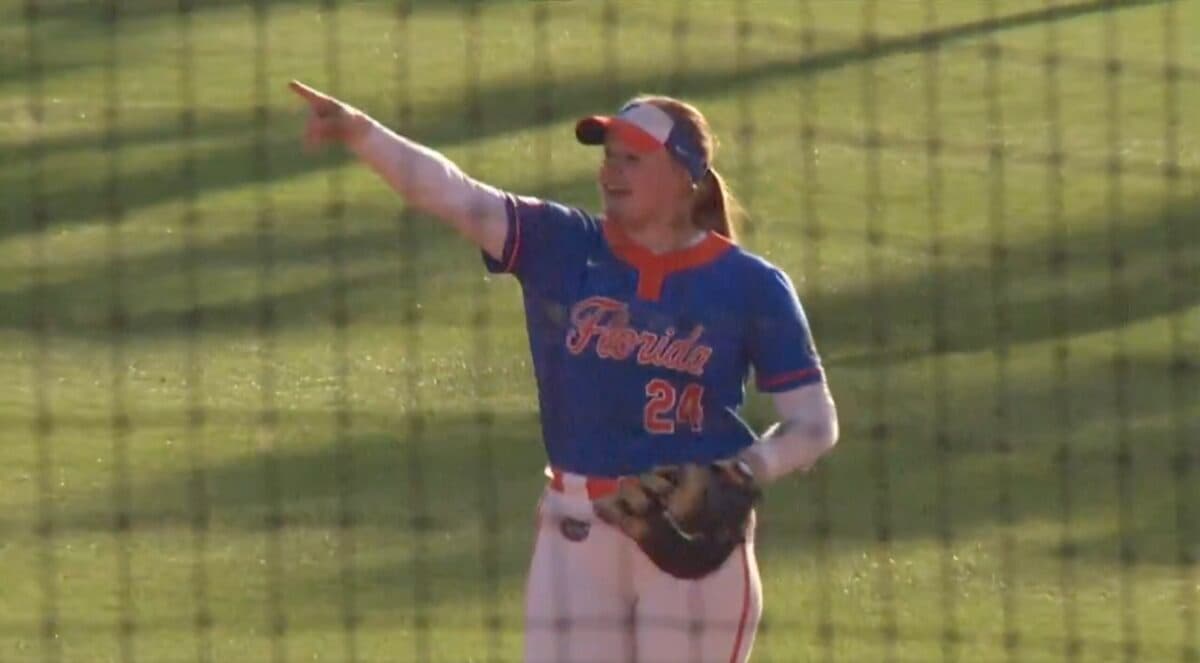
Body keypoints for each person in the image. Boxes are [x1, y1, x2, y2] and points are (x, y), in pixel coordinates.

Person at [290, 80, 840, 663]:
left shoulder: (751, 285)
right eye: (608, 158)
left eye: (632, 160)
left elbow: (815, 423)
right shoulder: (561, 244)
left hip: (692, 543)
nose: (611, 173)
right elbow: (451, 193)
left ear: (686, 176)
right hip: (576, 536)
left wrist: (744, 470)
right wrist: (361, 132)